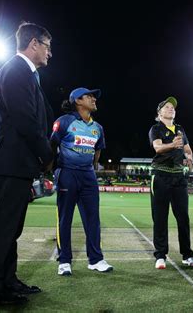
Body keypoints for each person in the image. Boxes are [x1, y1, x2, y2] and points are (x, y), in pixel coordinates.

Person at [0, 22, 54, 306]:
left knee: (11, 228)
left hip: (17, 162)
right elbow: (25, 121)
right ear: (33, 44)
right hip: (10, 161)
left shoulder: (24, 74)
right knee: (1, 227)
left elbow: (37, 116)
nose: (50, 53)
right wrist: (47, 154)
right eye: (47, 45)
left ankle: (7, 281)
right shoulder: (15, 71)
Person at [50, 87, 113, 276]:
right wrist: (54, 169)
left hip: (88, 176)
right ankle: (64, 260)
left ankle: (95, 259)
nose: (94, 99)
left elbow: (98, 150)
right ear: (78, 101)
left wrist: (91, 169)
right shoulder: (64, 122)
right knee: (65, 218)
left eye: (94, 96)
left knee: (93, 219)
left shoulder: (97, 127)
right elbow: (52, 145)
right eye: (89, 96)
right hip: (67, 173)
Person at [148, 96, 193, 269]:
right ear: (159, 112)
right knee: (160, 217)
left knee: (183, 217)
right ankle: (160, 255)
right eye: (167, 106)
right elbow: (158, 148)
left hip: (179, 177)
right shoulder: (155, 129)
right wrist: (172, 144)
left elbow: (187, 149)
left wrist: (189, 158)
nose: (171, 109)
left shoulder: (180, 129)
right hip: (160, 176)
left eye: (173, 107)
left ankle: (187, 255)